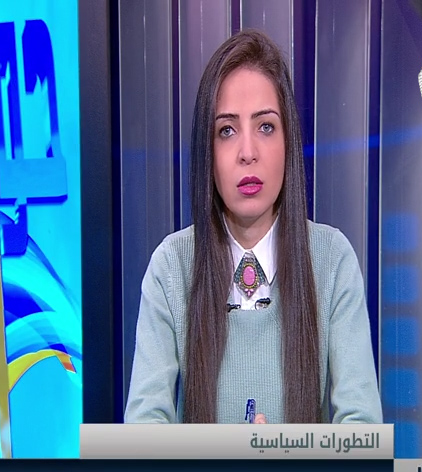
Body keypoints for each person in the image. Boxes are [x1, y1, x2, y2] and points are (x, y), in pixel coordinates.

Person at [124, 29, 382, 425]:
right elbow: (143, 433)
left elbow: (362, 431)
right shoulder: (171, 267)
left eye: (265, 127)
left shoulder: (331, 260)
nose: (248, 153)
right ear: (207, 152)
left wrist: (281, 455)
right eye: (226, 131)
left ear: (288, 142)